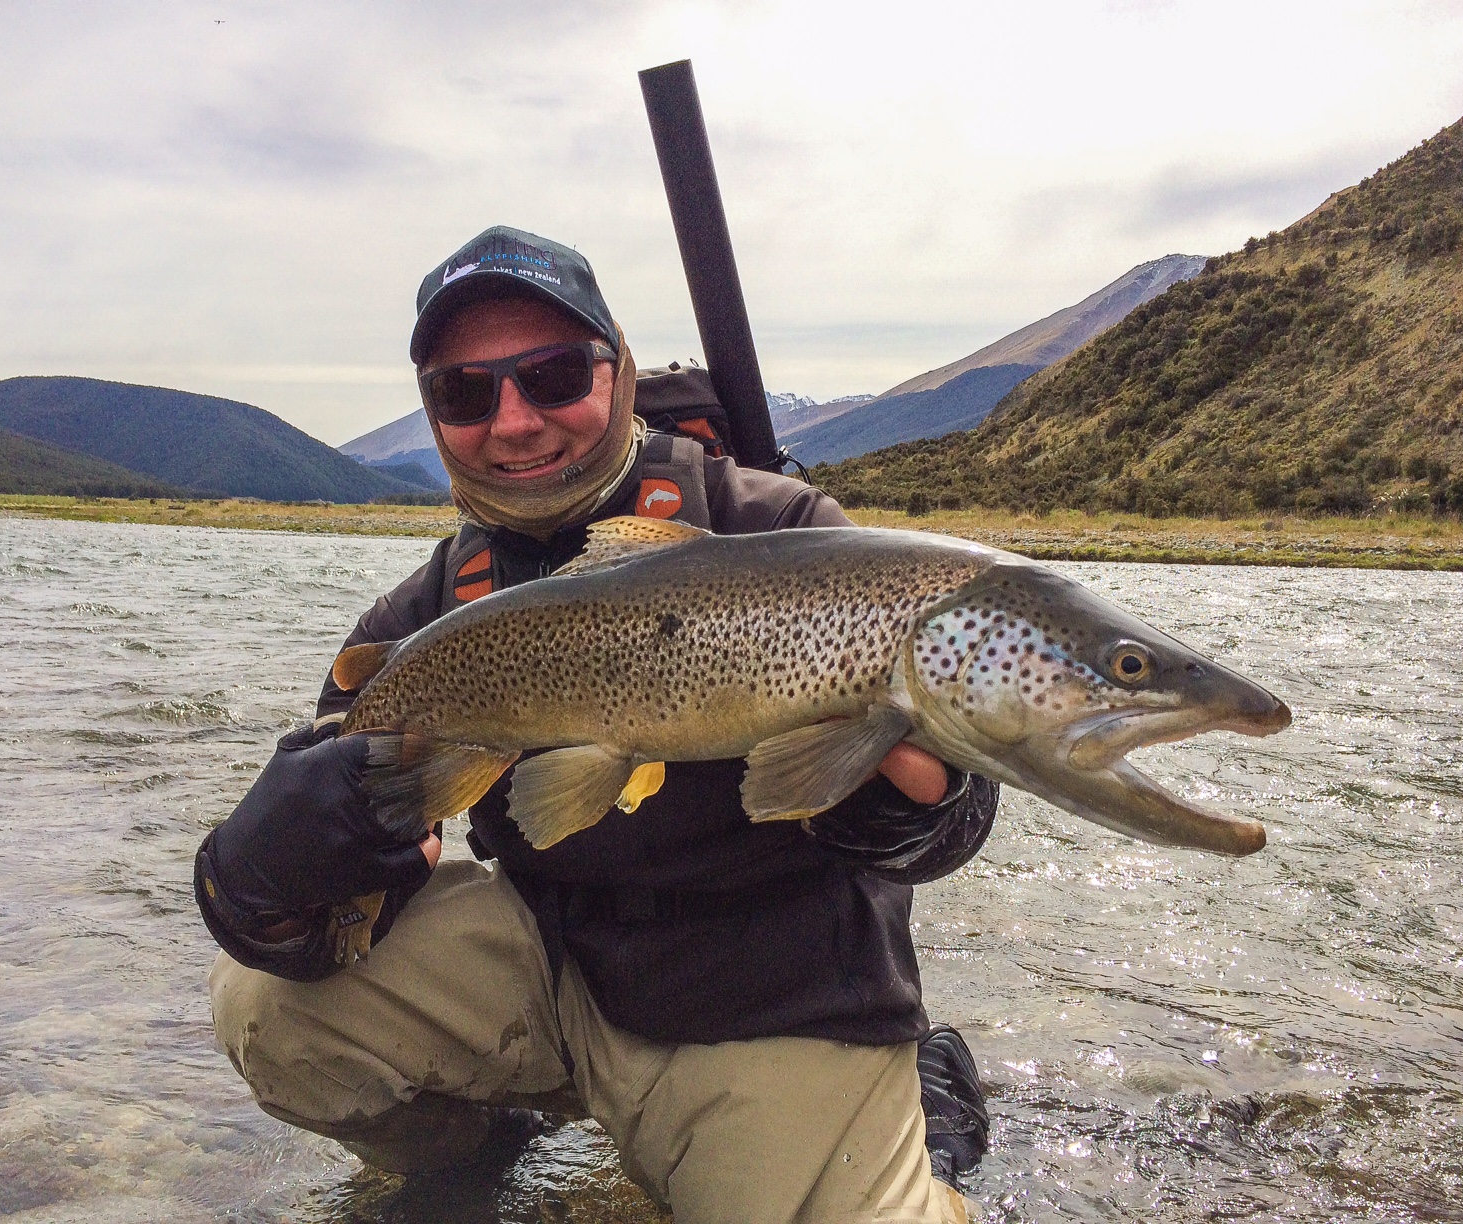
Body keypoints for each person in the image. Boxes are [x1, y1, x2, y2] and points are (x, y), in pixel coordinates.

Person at [195, 226, 997, 1224]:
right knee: (265, 1008)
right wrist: (250, 881)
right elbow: (346, 909)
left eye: (554, 374)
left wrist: (898, 800)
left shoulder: (783, 533)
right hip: (557, 973)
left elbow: (955, 828)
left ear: (616, 374)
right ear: (435, 416)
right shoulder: (425, 622)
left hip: (771, 998)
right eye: (465, 393)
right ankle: (474, 1150)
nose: (515, 422)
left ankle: (930, 1132)